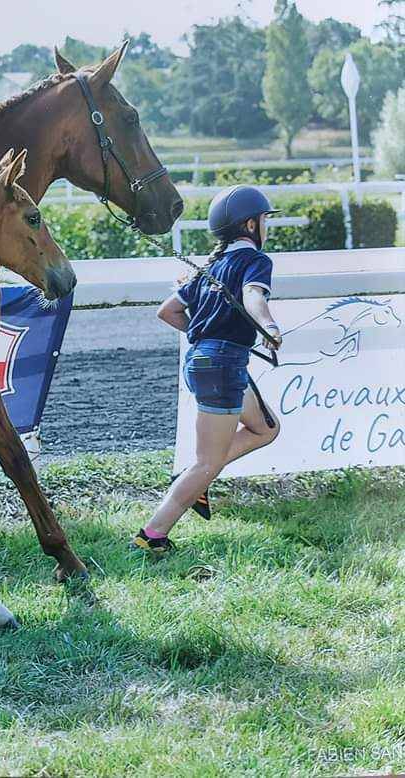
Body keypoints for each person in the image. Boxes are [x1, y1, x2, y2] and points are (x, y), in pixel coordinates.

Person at [133, 185, 284, 555]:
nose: (266, 227)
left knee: (266, 428)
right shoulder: (255, 261)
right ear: (251, 224)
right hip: (223, 366)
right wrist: (269, 326)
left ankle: (195, 476)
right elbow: (253, 296)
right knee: (207, 462)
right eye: (265, 220)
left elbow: (168, 311)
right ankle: (152, 535)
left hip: (205, 361)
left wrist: (206, 337)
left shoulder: (208, 268)